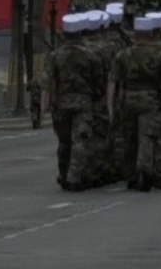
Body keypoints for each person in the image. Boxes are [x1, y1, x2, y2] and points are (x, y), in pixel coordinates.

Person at [109, 14, 161, 191]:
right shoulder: (159, 55)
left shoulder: (123, 55)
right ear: (151, 33)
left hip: (128, 98)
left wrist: (111, 106)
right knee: (146, 137)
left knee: (129, 137)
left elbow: (113, 81)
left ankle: (130, 174)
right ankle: (144, 170)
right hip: (150, 99)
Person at [47, 14, 104, 191]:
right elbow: (98, 80)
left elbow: (50, 81)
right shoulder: (90, 55)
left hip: (61, 102)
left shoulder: (55, 56)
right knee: (80, 139)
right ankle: (74, 176)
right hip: (83, 101)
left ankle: (63, 173)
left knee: (64, 141)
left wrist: (50, 102)